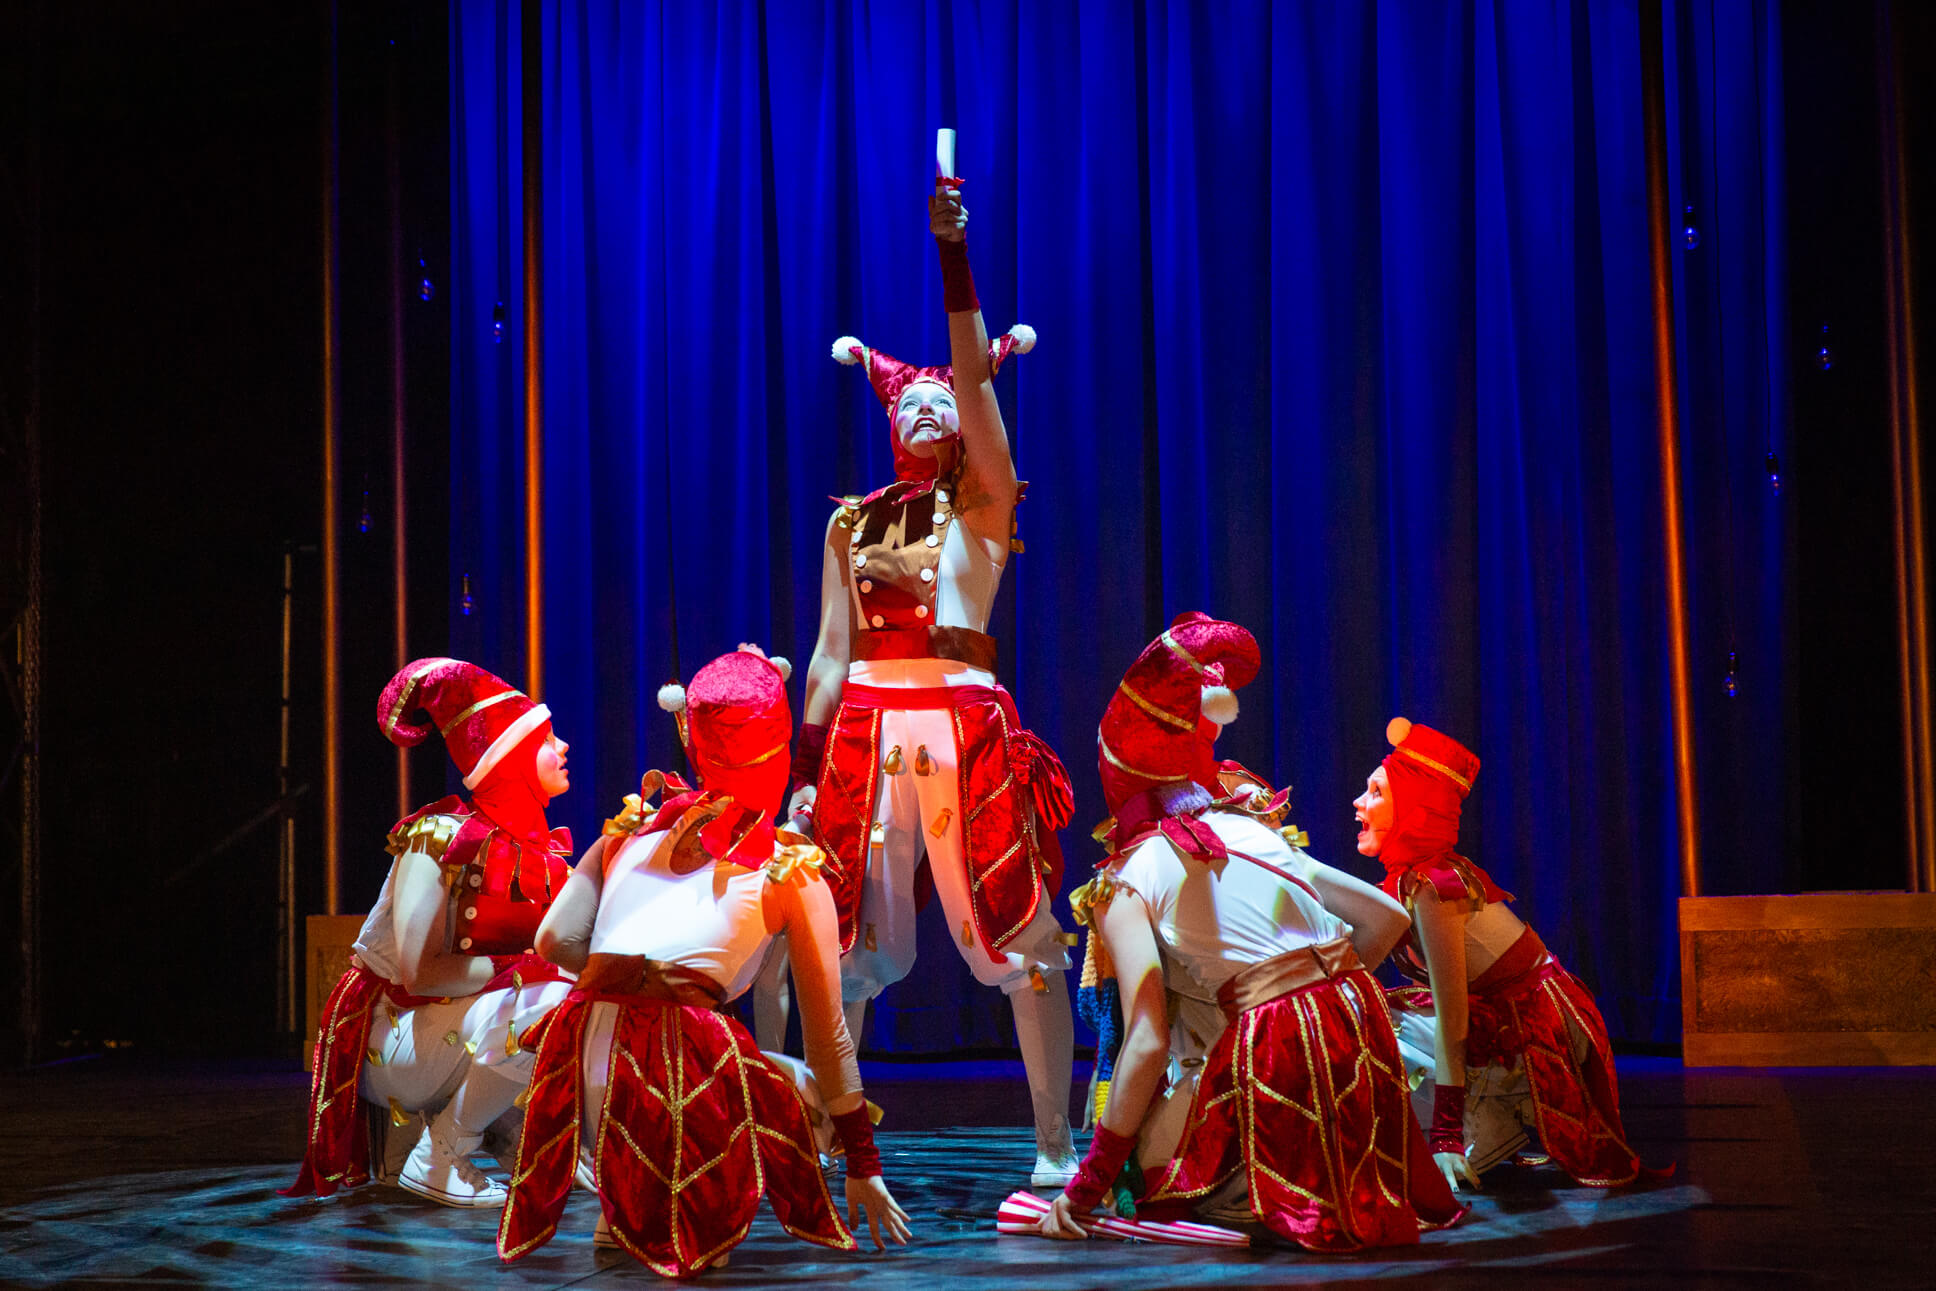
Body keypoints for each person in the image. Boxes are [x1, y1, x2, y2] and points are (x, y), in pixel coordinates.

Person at [784, 172, 1079, 1184]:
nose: (923, 400)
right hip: (863, 727)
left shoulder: (986, 502)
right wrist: (800, 768)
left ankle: (1052, 1147)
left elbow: (974, 369)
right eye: (904, 395)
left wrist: (955, 256)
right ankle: (837, 1134)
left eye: (937, 396)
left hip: (961, 722)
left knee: (1021, 932)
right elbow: (828, 650)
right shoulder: (849, 521)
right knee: (840, 938)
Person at [1038, 614, 1463, 1251]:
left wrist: (1085, 1188)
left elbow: (1148, 1040)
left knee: (1151, 1175)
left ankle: (1259, 1191)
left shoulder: (1127, 875)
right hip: (1366, 1036)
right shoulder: (1257, 829)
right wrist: (1325, 994)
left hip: (1281, 1050)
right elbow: (1387, 920)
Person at [497, 646, 912, 1277]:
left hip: (573, 1066)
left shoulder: (630, 831)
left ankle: (620, 1209)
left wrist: (631, 974)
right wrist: (863, 1164)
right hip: (668, 1070)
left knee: (644, 1032)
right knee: (803, 1088)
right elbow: (828, 1038)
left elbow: (552, 942)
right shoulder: (789, 870)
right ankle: (687, 1212)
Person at [284, 658, 577, 1207]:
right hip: (392, 1030)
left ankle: (506, 1133)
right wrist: (528, 969)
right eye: (548, 738)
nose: (564, 748)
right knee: (552, 1000)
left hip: (444, 1025)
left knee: (576, 992)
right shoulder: (438, 838)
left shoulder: (537, 854)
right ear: (511, 757)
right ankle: (443, 1151)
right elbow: (419, 973)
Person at [1362, 717, 1653, 1190]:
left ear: (1415, 809)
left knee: (1377, 1022)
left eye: (1376, 792)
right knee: (1374, 1008)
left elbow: (1455, 1017)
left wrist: (1447, 1134)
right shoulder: (1412, 879)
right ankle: (1487, 1115)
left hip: (1538, 1030)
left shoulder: (1434, 887)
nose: (1358, 804)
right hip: (1510, 1014)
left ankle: (1485, 1120)